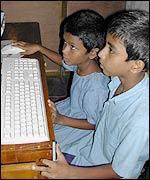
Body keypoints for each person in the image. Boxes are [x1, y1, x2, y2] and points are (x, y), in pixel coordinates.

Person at [31, 10, 149, 179]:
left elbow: (118, 171)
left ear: (136, 65)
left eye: (111, 50)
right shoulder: (117, 79)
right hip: (88, 149)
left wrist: (69, 173)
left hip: (100, 168)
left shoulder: (140, 121)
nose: (101, 53)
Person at [14, 9, 110, 148]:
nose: (64, 50)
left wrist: (60, 119)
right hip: (69, 110)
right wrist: (39, 48)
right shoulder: (83, 64)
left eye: (72, 47)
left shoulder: (95, 88)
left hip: (76, 124)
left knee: (38, 142)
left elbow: (95, 123)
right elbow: (63, 61)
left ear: (92, 52)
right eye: (65, 42)